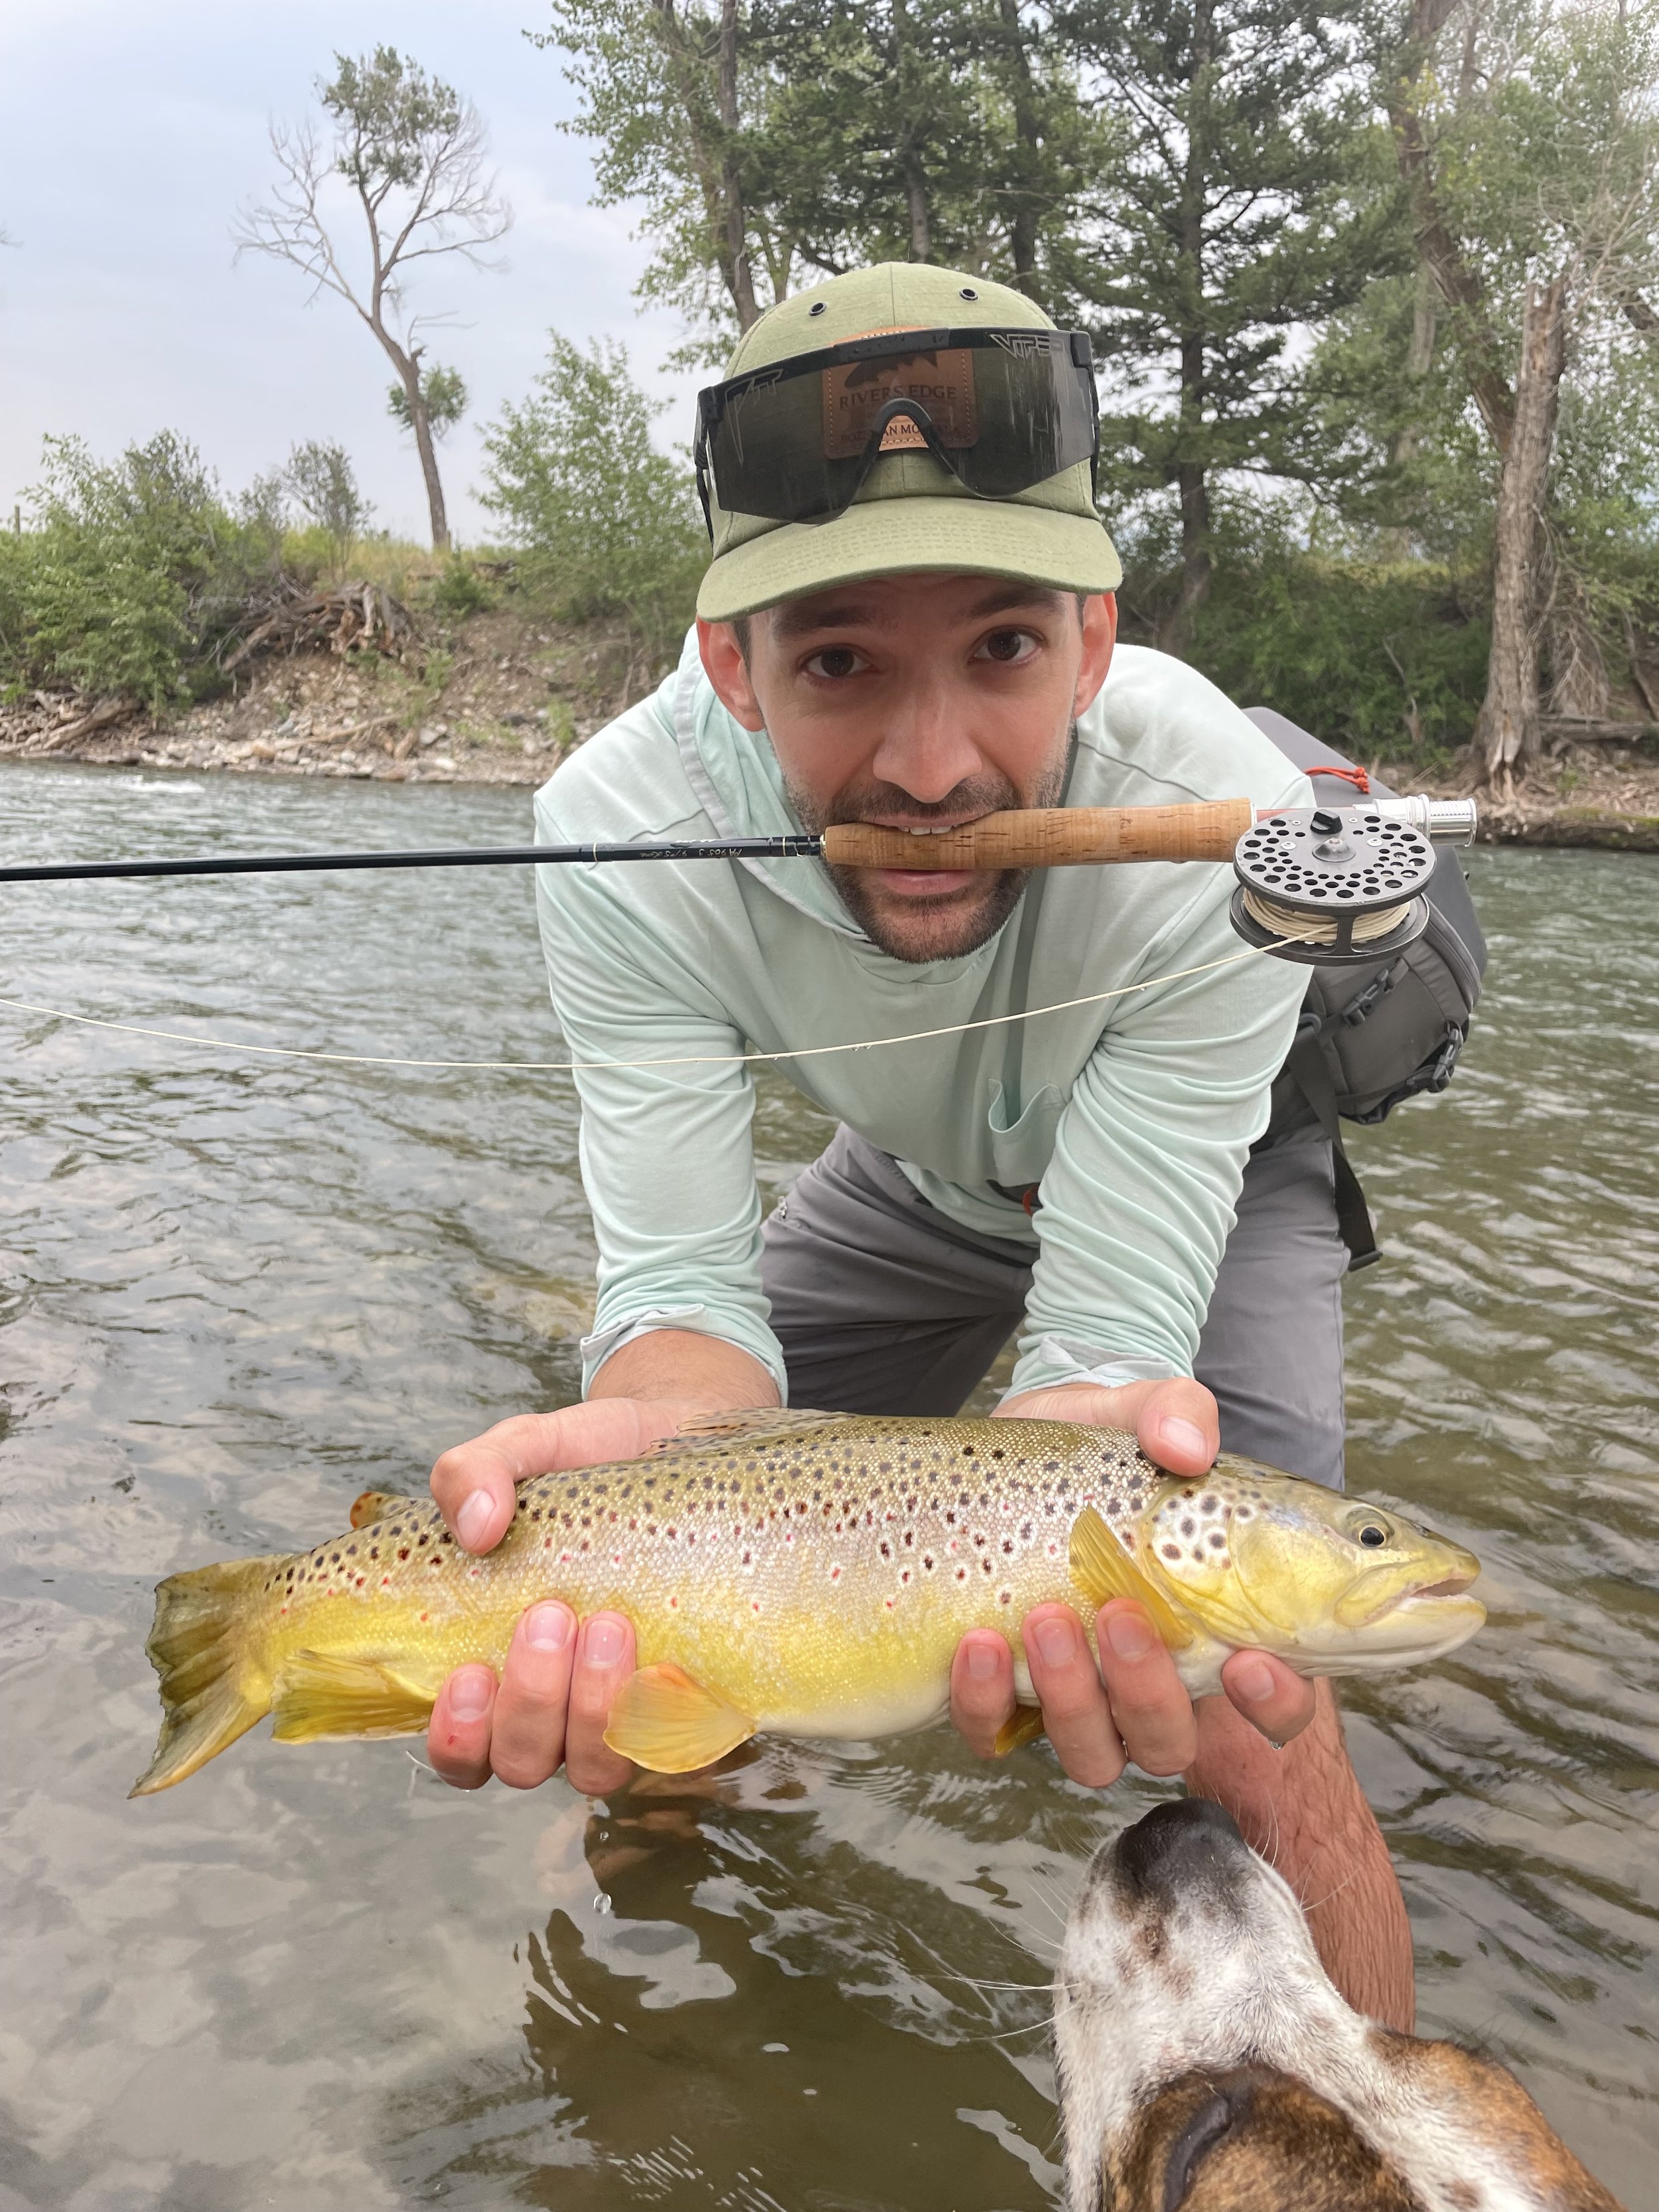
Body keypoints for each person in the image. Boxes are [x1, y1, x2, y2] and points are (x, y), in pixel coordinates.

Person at [421, 263, 1415, 2031]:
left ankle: (1381, 2116)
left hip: (1203, 1169)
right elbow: (678, 1304)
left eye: (1003, 650)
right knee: (646, 1616)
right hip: (909, 1177)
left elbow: (1104, 1350)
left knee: (1257, 1699)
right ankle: (679, 2026)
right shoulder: (612, 831)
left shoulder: (1222, 819)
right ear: (731, 671)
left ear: (1094, 641)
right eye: (840, 665)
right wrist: (669, 1465)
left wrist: (1069, 1468)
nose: (933, 761)